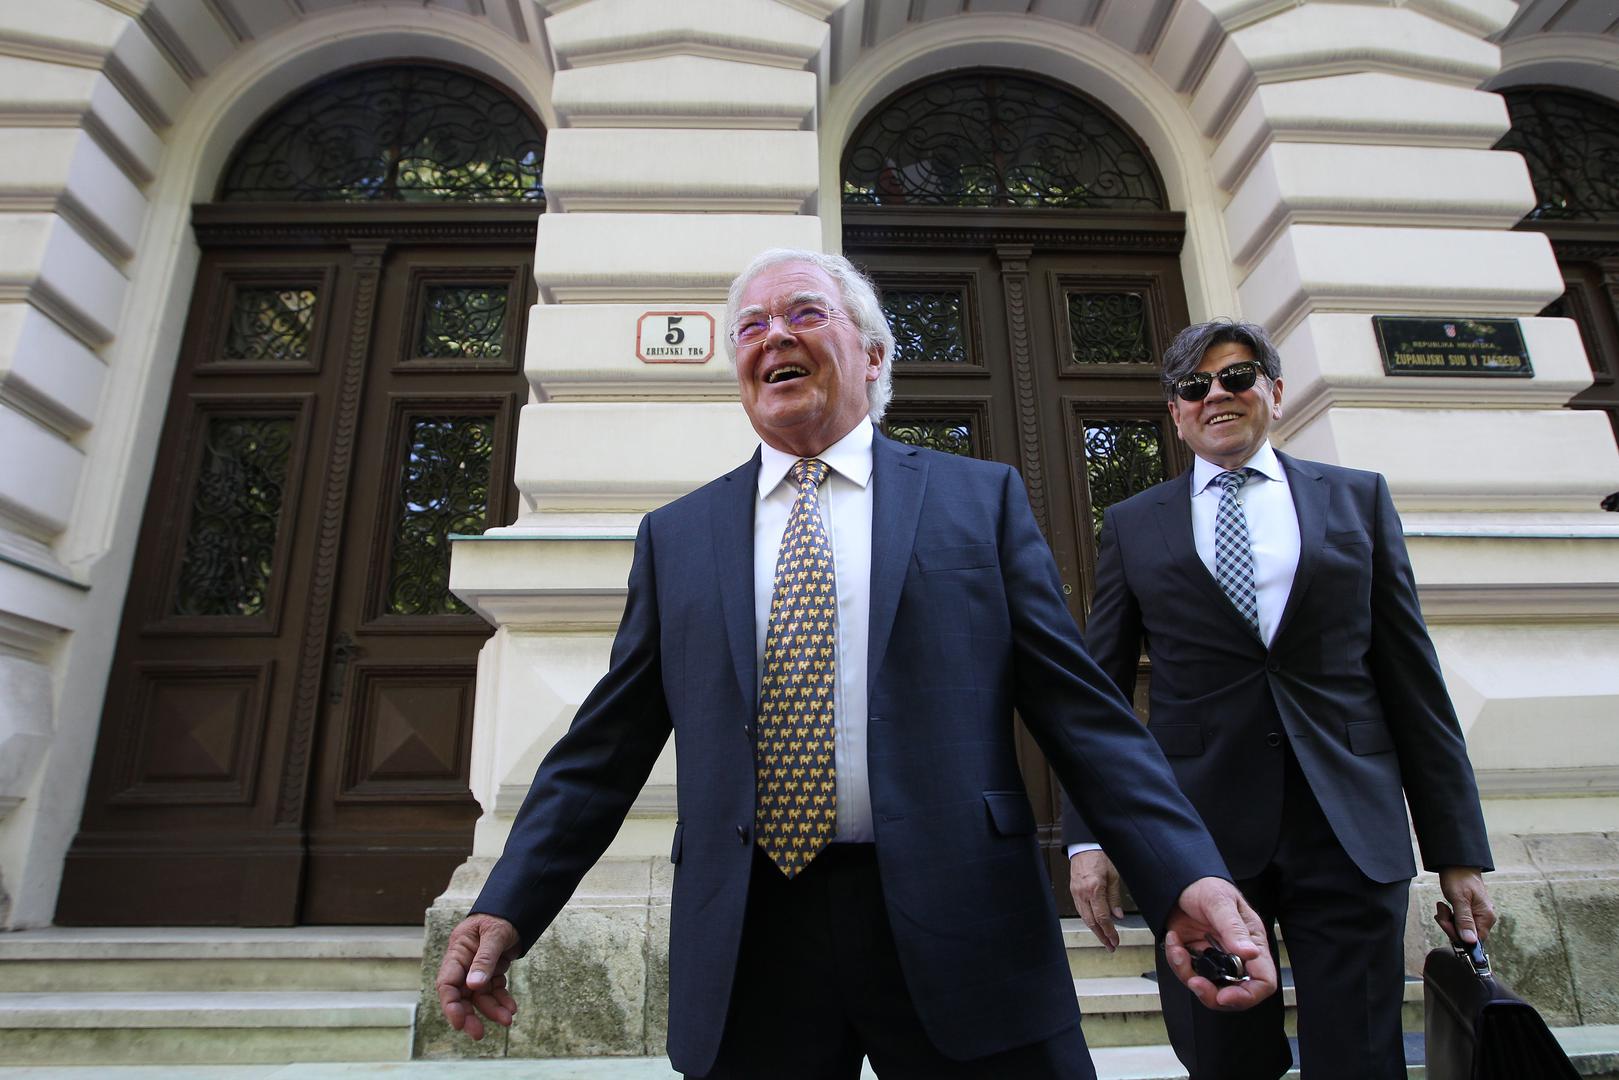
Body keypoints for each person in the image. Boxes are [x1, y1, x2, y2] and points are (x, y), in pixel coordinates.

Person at [435, 250, 1278, 1080]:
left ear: (873, 356)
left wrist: (1184, 874)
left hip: (964, 922)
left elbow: (1084, 718)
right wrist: (510, 902)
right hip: (751, 942)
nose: (775, 336)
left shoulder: (976, 501)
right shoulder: (677, 537)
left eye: (805, 313)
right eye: (751, 327)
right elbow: (603, 750)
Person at [1062, 318, 1496, 1080]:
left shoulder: (1356, 500)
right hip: (1199, 836)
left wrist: (1456, 851)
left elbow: (1412, 681)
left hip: (1348, 826)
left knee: (1360, 1056)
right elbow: (1098, 697)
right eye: (1193, 387)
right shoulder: (1132, 525)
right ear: (1175, 411)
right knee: (1223, 1052)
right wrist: (1087, 840)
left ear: (1274, 391)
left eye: (1235, 377)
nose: (1215, 396)